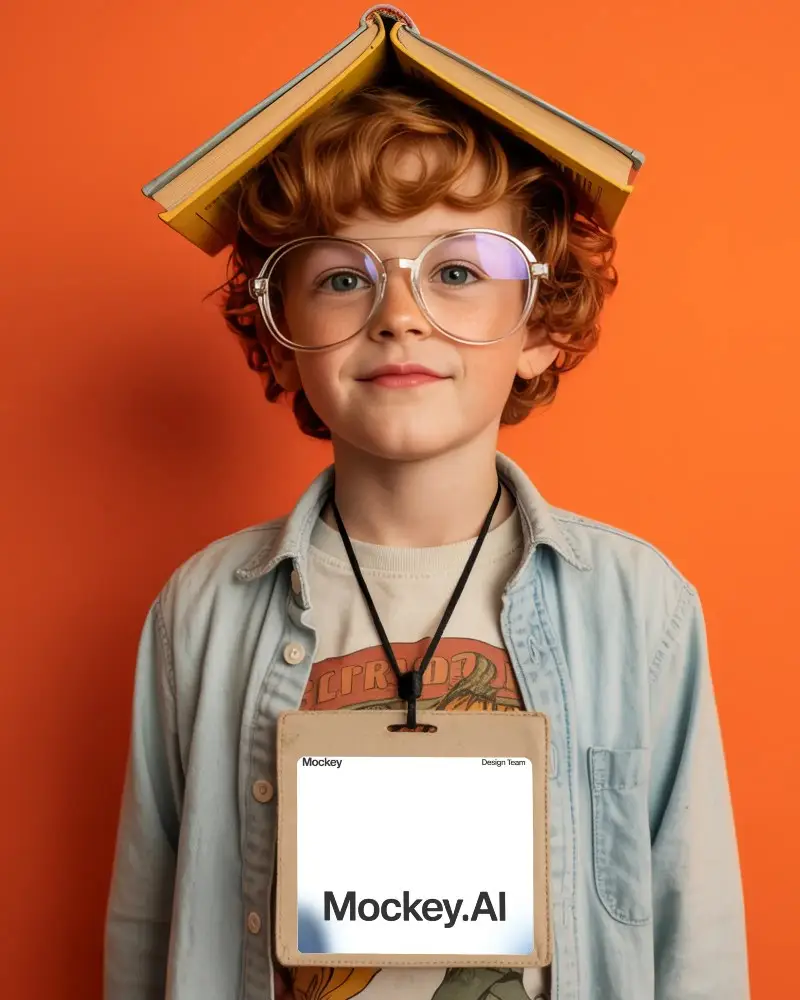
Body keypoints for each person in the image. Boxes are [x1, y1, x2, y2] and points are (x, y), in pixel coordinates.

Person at [104, 78, 750, 1000]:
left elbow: (697, 929)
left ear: (540, 324)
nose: (398, 313)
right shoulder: (203, 611)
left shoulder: (638, 606)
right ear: (283, 335)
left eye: (457, 270)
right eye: (341, 277)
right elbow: (147, 921)